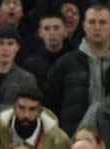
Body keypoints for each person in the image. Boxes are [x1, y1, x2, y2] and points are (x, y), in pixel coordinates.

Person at [46, 3, 110, 135]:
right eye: (92, 22)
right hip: (74, 143)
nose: (97, 27)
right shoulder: (65, 63)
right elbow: (50, 108)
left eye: (102, 22)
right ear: (84, 25)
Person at [22, 12, 72, 93]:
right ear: (40, 33)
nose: (51, 33)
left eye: (56, 28)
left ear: (65, 31)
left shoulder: (75, 62)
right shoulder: (30, 65)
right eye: (46, 28)